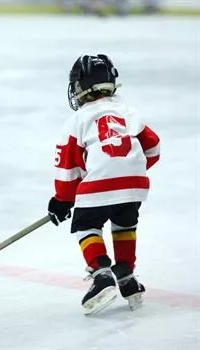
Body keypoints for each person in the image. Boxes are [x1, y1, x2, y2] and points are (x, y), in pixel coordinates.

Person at [47, 54, 160, 315]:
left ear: (80, 87)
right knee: (124, 224)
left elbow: (67, 166)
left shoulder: (78, 120)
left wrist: (63, 199)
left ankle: (101, 275)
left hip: (98, 185)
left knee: (87, 224)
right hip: (134, 185)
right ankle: (126, 275)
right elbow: (153, 147)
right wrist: (132, 168)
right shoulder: (129, 112)